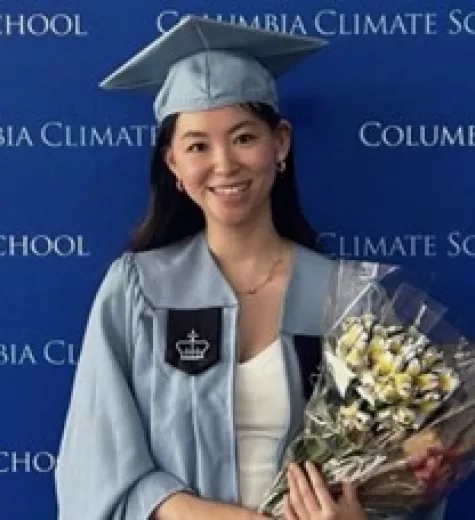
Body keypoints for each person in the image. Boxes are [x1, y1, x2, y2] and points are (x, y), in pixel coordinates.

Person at [54, 15, 446, 520]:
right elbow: (94, 463)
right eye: (197, 145)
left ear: (279, 143)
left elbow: (413, 470)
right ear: (173, 164)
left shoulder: (349, 297)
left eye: (243, 138)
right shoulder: (137, 290)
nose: (224, 164)